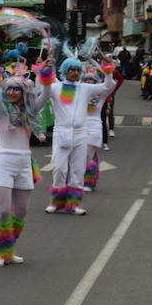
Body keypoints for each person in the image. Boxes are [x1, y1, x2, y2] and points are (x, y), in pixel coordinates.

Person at [40, 49, 118, 216]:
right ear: (65, 71)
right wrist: (45, 72)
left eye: (77, 70)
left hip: (81, 134)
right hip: (61, 133)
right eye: (71, 69)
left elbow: (108, 86)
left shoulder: (85, 88)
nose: (74, 73)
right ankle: (57, 201)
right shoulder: (55, 87)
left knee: (78, 170)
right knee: (59, 168)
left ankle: (75, 204)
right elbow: (42, 95)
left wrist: (107, 68)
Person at [0, 62, 46, 266]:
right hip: (3, 162)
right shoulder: (1, 113)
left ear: (24, 92)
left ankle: (9, 249)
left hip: (24, 163)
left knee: (21, 212)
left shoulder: (29, 112)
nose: (11, 92)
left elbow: (45, 96)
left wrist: (46, 74)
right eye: (9, 88)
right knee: (2, 210)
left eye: (16, 89)